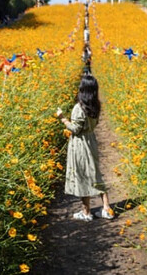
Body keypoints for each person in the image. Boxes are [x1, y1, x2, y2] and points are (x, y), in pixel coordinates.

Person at [57, 74, 114, 221]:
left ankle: (86, 212)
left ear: (83, 90)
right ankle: (107, 209)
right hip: (91, 141)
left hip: (80, 144)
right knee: (95, 173)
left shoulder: (79, 107)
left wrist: (62, 118)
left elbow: (75, 129)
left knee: (82, 176)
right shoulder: (96, 105)